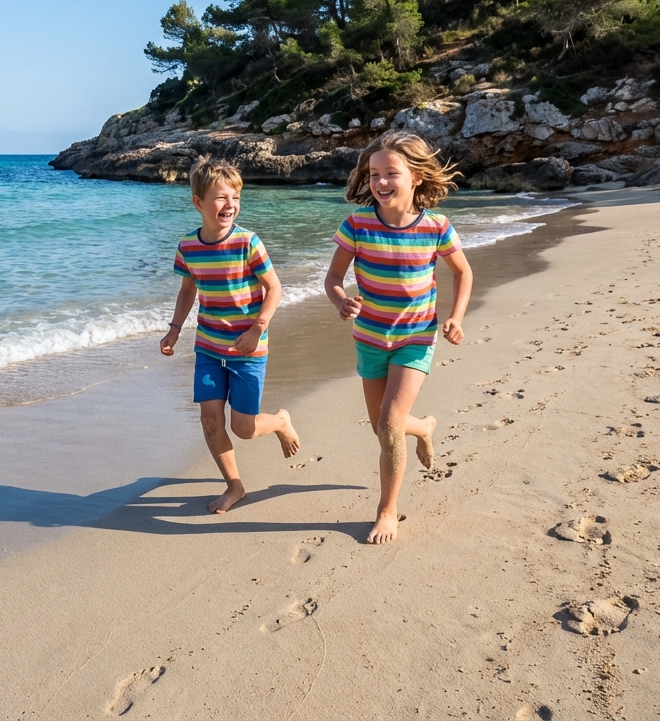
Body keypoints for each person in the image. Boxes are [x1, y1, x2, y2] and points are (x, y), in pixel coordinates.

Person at [324, 131, 473, 544]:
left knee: (389, 424)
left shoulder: (436, 227)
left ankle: (387, 510)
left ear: (417, 177)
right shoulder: (357, 224)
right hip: (370, 337)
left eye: (391, 173)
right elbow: (333, 276)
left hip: (416, 337)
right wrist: (341, 300)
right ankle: (423, 428)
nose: (381, 182)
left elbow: (463, 273)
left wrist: (456, 317)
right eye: (374, 174)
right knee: (382, 427)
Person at [161, 157, 300, 514]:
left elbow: (274, 288)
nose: (230, 204)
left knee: (244, 428)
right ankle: (234, 485)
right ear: (198, 202)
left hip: (248, 349)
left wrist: (258, 327)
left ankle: (280, 421)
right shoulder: (188, 246)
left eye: (235, 197)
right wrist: (174, 330)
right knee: (210, 419)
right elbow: (187, 291)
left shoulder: (247, 242)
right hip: (208, 347)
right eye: (221, 197)